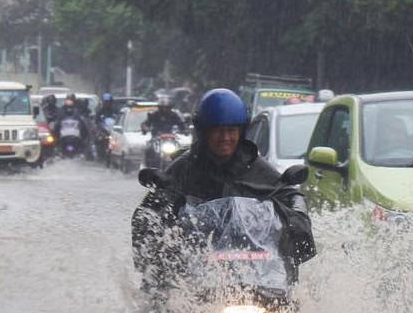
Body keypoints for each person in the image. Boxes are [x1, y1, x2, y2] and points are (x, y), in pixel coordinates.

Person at [132, 88, 315, 286]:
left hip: (255, 271)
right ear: (204, 131)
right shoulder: (184, 167)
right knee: (161, 300)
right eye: (217, 130)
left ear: (241, 132)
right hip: (194, 271)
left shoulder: (256, 167)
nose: (225, 138)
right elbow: (147, 215)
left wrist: (297, 218)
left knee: (288, 304)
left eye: (231, 131)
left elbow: (286, 194)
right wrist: (162, 218)